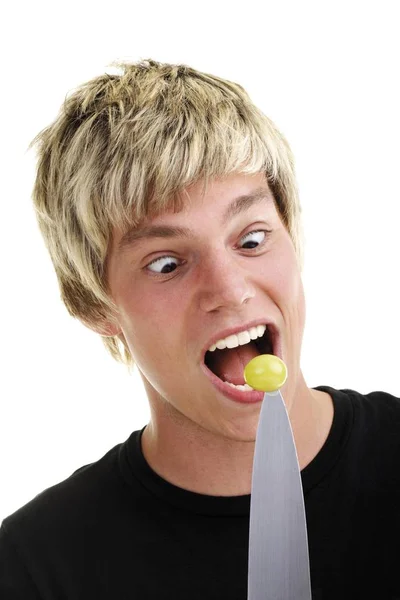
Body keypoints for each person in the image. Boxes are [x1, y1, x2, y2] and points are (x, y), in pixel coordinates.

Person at [1, 58, 399, 600]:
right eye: (166, 263)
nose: (231, 288)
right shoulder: (33, 570)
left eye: (252, 239)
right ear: (93, 304)